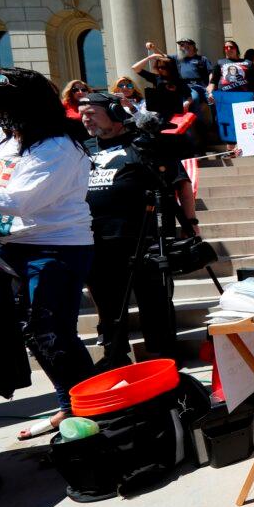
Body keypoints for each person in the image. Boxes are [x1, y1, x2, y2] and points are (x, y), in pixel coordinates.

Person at [0, 68, 95, 441]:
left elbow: (18, 200)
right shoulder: (11, 140)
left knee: (52, 332)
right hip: (16, 247)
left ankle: (90, 411)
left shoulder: (57, 146)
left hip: (57, 247)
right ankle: (70, 406)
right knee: (36, 334)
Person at [79, 92, 197, 368]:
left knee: (154, 302)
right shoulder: (82, 149)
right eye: (82, 114)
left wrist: (191, 223)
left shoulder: (144, 145)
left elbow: (181, 183)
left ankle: (162, 359)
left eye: (91, 112)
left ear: (114, 112)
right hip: (96, 239)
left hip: (144, 239)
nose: (85, 118)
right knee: (108, 305)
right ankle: (114, 358)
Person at [167, 38, 213, 108]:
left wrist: (210, 85)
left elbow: (211, 72)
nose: (183, 47)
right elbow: (163, 56)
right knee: (194, 98)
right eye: (181, 45)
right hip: (186, 86)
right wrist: (153, 48)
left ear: (193, 46)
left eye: (186, 45)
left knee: (213, 100)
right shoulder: (178, 58)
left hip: (201, 86)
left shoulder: (202, 59)